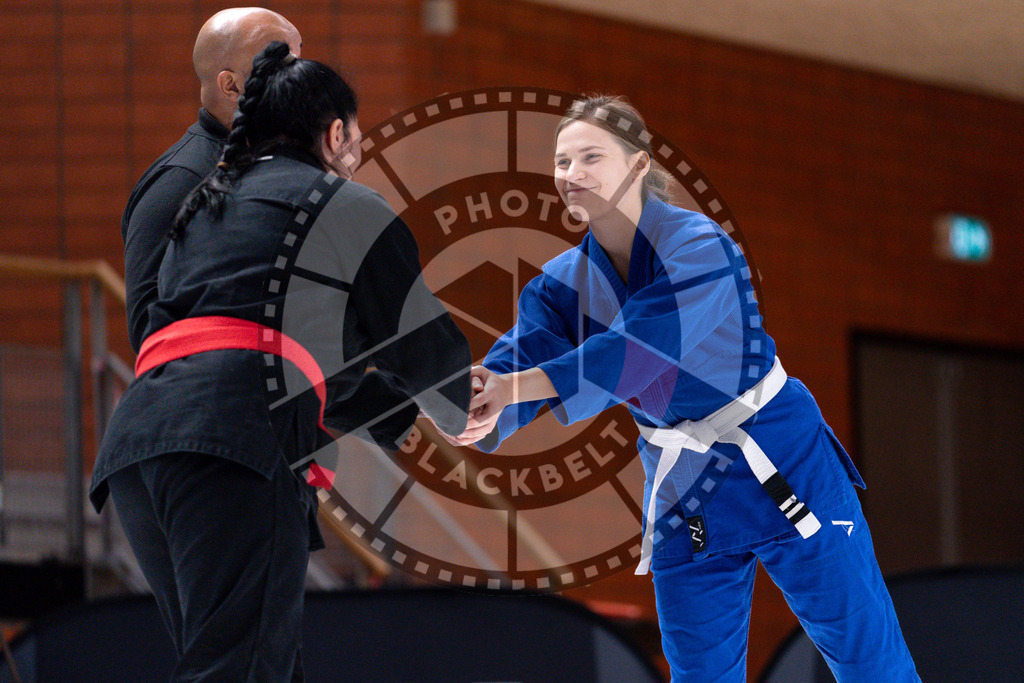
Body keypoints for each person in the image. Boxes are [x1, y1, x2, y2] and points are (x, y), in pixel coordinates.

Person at [462, 96, 919, 681]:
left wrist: (514, 387)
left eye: (591, 157)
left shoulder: (700, 246)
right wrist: (474, 405)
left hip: (780, 456)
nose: (571, 173)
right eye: (561, 161)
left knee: (869, 659)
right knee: (699, 673)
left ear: (638, 165)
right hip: (686, 484)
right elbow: (520, 359)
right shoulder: (561, 285)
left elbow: (639, 351)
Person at [90, 42, 473, 680]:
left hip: (141, 447)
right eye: (357, 136)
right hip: (236, 437)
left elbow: (295, 353)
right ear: (335, 134)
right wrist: (462, 409)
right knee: (242, 669)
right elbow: (421, 343)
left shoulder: (206, 205)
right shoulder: (342, 203)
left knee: (246, 663)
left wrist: (399, 415)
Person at [122, 7, 302, 352]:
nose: (303, 76)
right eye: (283, 64)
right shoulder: (178, 182)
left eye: (300, 57)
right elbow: (148, 328)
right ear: (231, 85)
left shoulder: (279, 158)